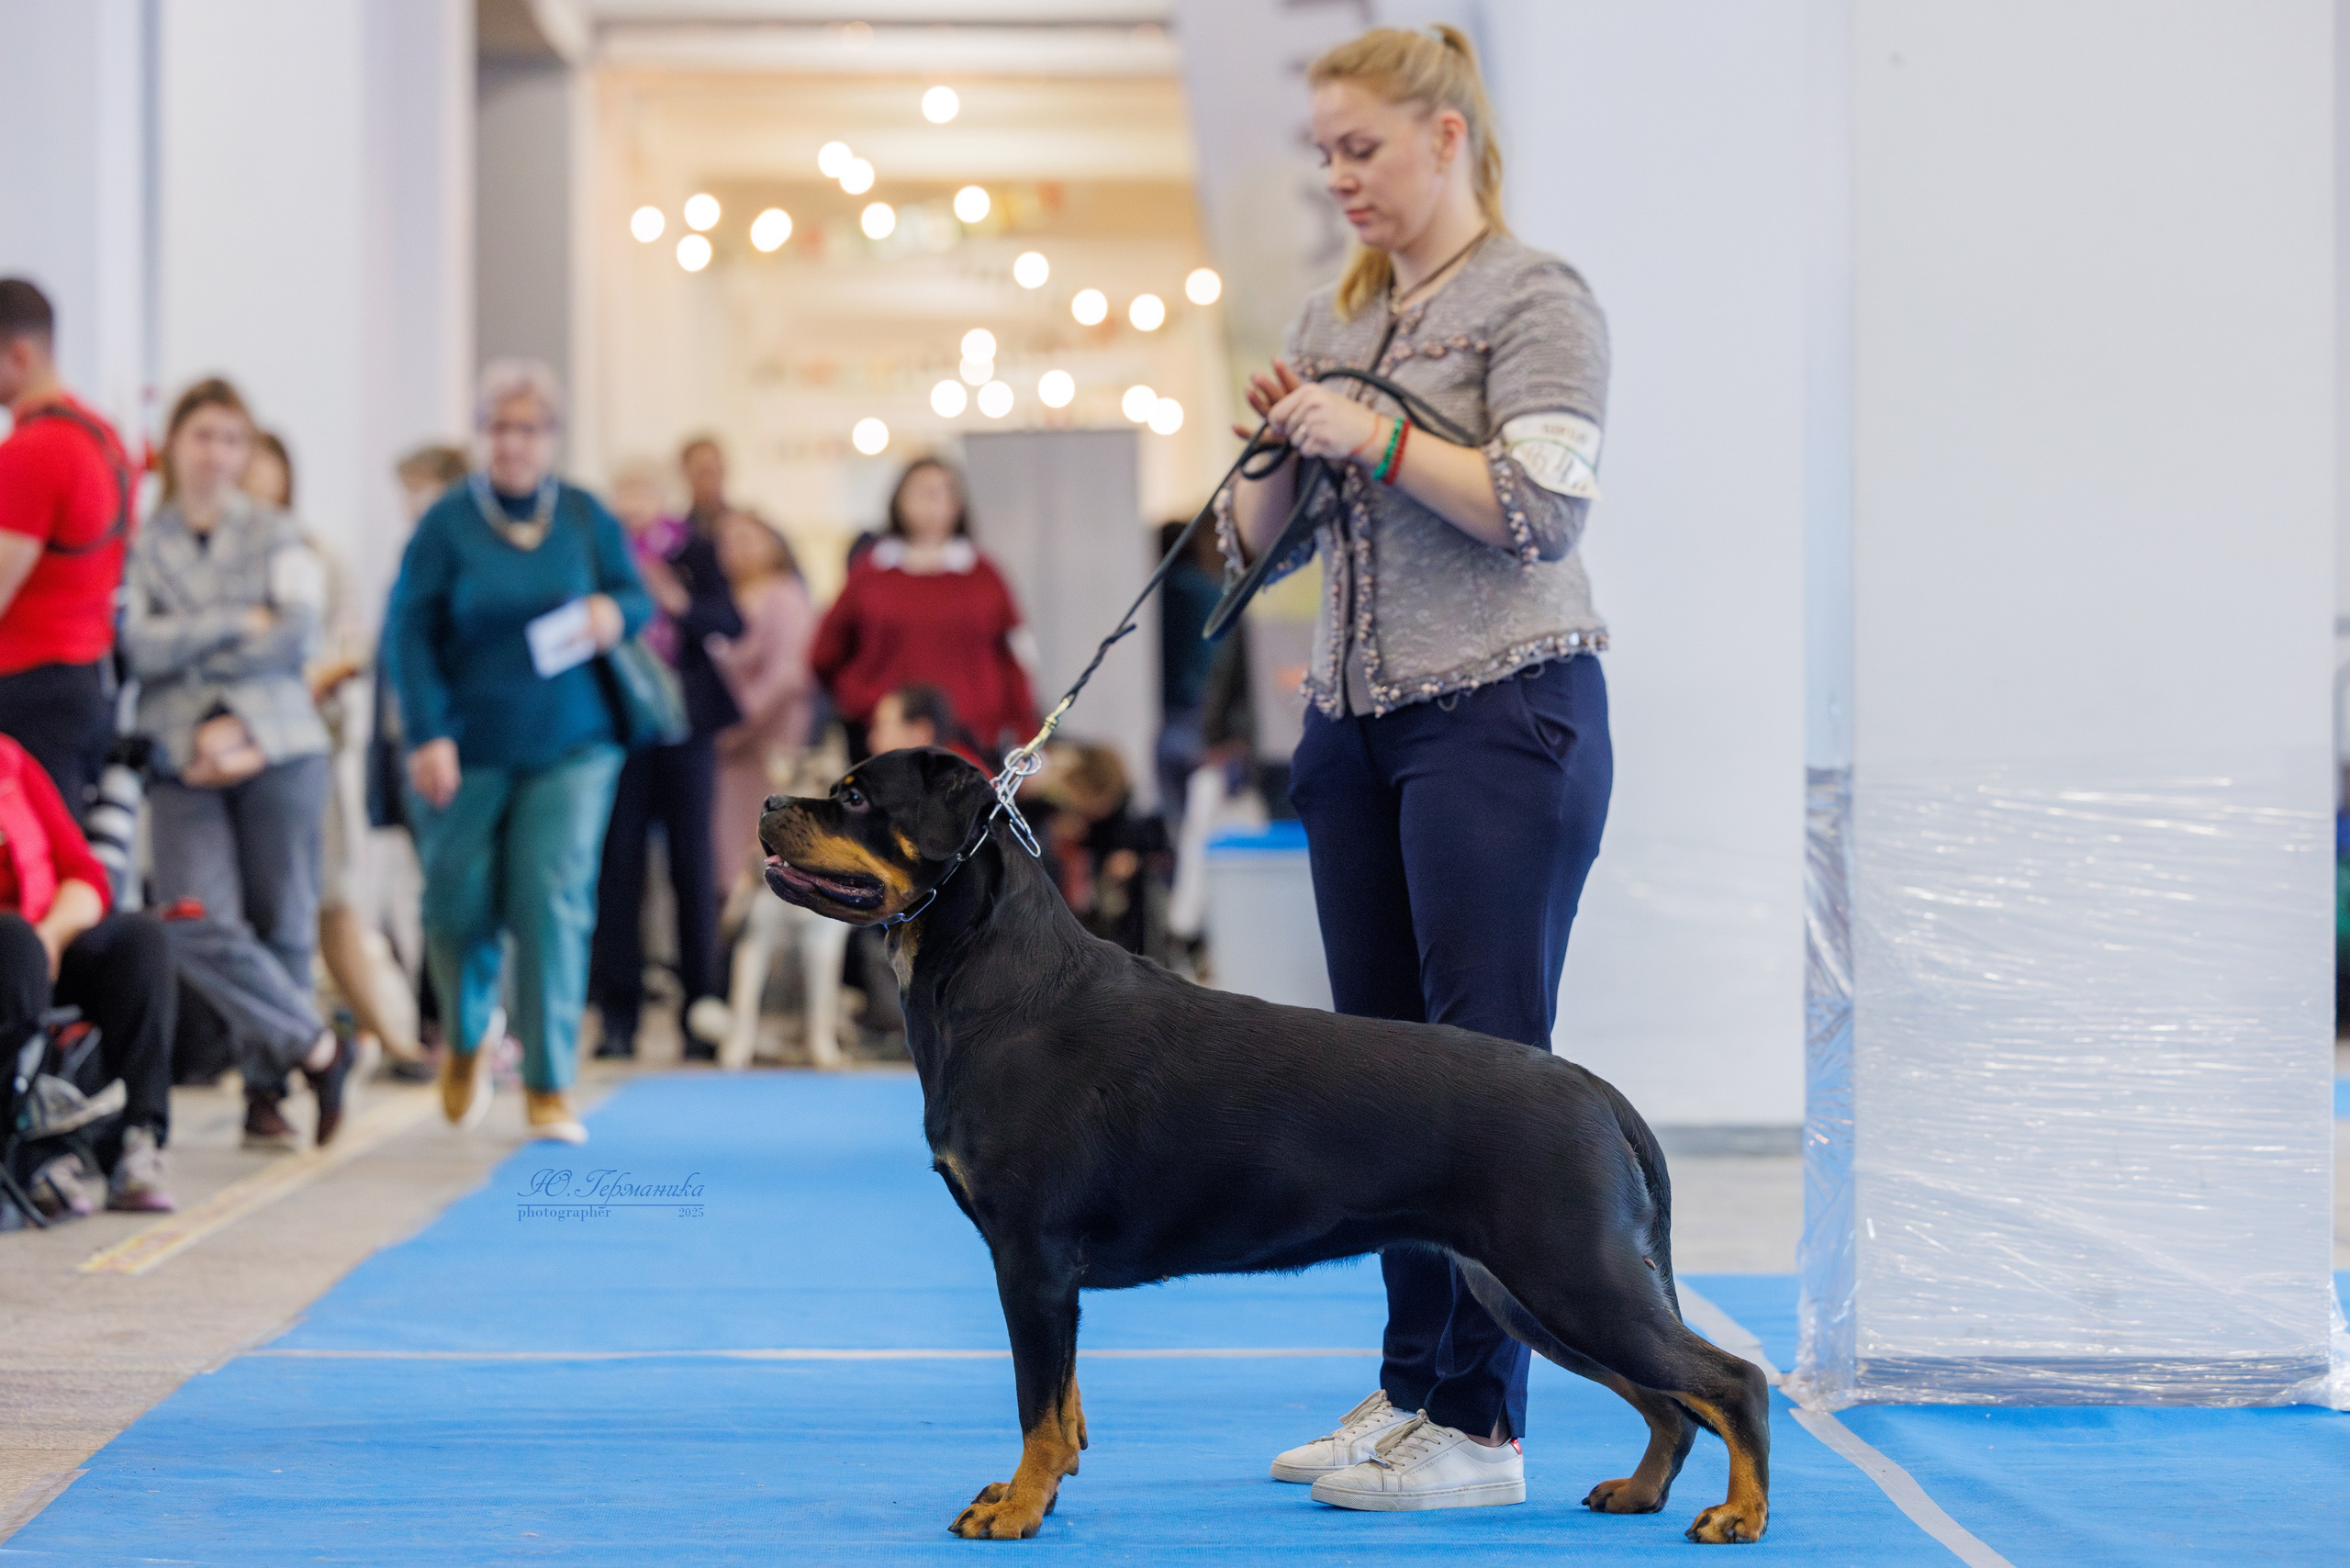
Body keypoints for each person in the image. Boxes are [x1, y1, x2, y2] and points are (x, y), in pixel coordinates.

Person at [1222, 26, 1613, 1511]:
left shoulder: (1537, 296)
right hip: (1356, 728)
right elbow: (1251, 560)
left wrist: (1373, 433)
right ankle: (1411, 1388)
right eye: (1324, 152)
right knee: (1381, 1081)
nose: (1338, 177)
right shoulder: (1339, 314)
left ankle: (1483, 1424)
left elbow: (1543, 509)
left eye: (1361, 147)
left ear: (1447, 138)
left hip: (1503, 716)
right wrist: (1275, 450)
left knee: (1488, 1080)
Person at [386, 360, 650, 1143]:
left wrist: (612, 614)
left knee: (551, 897)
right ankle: (468, 1035)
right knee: (453, 904)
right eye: (500, 427)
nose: (514, 443)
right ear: (481, 434)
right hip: (466, 742)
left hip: (573, 741)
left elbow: (635, 596)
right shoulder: (447, 523)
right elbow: (408, 633)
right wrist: (428, 732)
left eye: (529, 429)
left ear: (552, 438)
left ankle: (549, 1082)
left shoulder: (584, 514)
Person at [122, 380, 357, 1148]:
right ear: (174, 444)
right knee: (192, 919)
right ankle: (318, 1046)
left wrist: (200, 661)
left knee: (283, 918)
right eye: (203, 435)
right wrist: (232, 623)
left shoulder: (279, 533)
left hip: (277, 744)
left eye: (232, 438)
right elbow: (134, 645)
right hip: (181, 755)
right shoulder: (143, 540)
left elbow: (296, 636)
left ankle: (266, 1089)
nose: (217, 453)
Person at [242, 431, 421, 1076]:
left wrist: (311, 676)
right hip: (233, 757)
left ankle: (389, 1041)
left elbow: (352, 645)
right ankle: (276, 1056)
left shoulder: (319, 553)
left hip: (306, 750)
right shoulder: (213, 557)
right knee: (258, 914)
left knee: (331, 902)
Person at [588, 448, 742, 1062]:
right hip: (620, 729)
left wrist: (678, 602)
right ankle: (618, 1017)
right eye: (623, 490)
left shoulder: (692, 550)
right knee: (618, 873)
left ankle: (701, 1013)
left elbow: (729, 620)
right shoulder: (600, 554)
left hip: (686, 731)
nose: (634, 502)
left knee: (692, 871)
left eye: (644, 489)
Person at [0, 735, 176, 1215]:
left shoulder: (11, 761)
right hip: (10, 955)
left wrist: (52, 936)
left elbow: (84, 873)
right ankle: (31, 1151)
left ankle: (137, 1139)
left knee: (139, 940)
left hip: (40, 943)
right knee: (14, 945)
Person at [0, 278, 137, 817]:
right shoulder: (104, 437)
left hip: (31, 685)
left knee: (33, 858)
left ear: (19, 354)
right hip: (86, 679)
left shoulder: (33, 449)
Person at [811, 458, 1038, 759]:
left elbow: (1014, 658)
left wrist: (1026, 736)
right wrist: (864, 700)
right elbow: (826, 653)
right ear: (899, 499)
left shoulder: (983, 574)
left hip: (973, 739)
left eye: (943, 492)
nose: (932, 503)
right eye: (922, 491)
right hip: (888, 741)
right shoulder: (872, 572)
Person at [706, 508, 815, 893]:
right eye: (728, 542)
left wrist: (735, 724)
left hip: (768, 739)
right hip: (723, 749)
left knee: (764, 842)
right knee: (723, 849)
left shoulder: (785, 595)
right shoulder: (717, 600)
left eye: (748, 538)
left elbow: (786, 675)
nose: (738, 549)